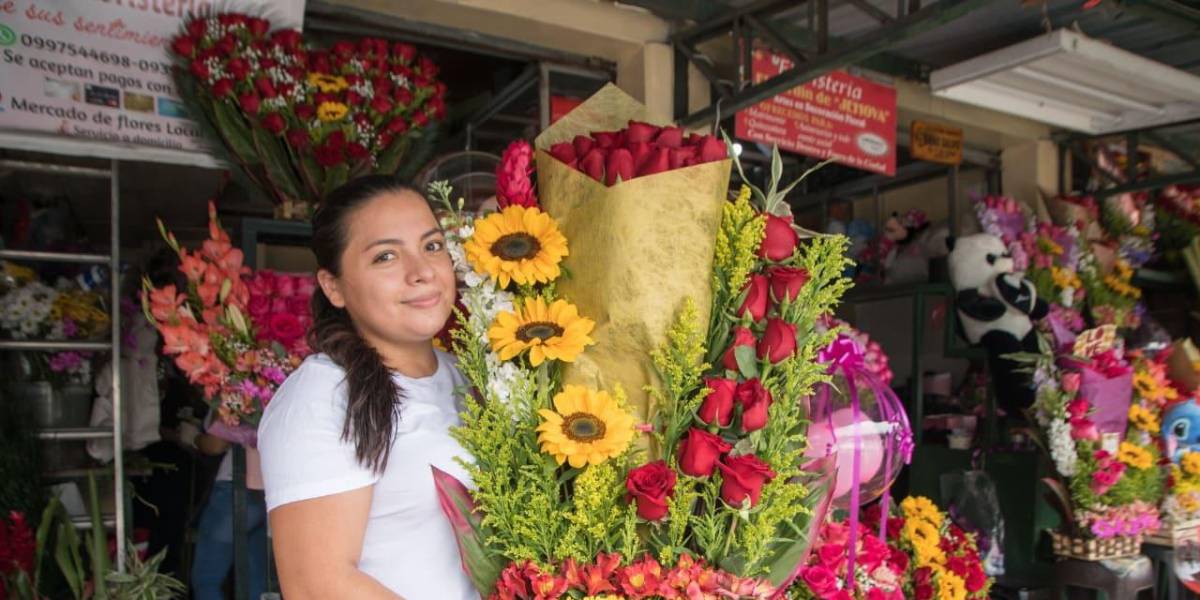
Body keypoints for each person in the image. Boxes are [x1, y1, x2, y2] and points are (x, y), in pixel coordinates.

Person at [257, 176, 473, 599]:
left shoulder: (469, 377)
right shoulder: (323, 396)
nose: (422, 272)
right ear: (333, 286)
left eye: (432, 246)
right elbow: (317, 586)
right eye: (386, 256)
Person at [189, 424, 268, 600]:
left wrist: (192, 438)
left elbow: (215, 444)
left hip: (235, 484)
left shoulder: (236, 397)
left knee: (207, 579)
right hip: (272, 486)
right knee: (257, 583)